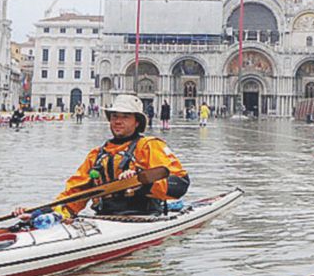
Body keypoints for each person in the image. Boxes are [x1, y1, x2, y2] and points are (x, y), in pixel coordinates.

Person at [18, 93, 189, 223]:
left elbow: (180, 184)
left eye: (125, 116)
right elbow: (74, 194)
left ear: (137, 122)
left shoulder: (149, 146)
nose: (118, 121)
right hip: (105, 219)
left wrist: (141, 181)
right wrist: (39, 213)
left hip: (144, 218)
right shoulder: (97, 155)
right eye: (114, 116)